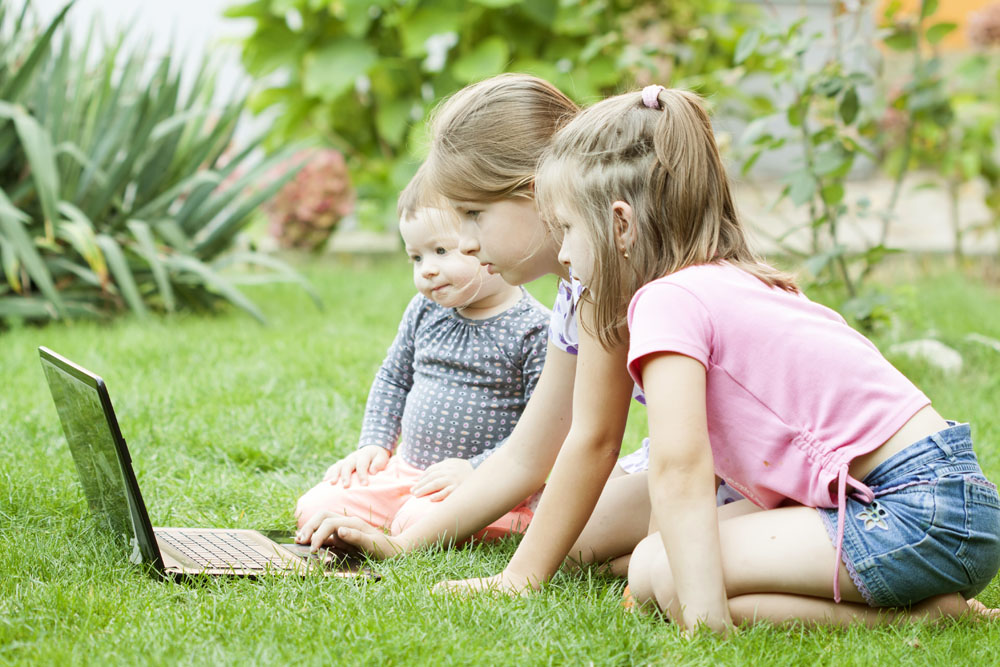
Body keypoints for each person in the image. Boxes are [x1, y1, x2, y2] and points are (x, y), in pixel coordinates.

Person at [527, 84, 1000, 632]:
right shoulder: (737, 283)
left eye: (566, 229)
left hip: (909, 514)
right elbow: (693, 484)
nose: (561, 252)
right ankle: (929, 605)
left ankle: (926, 618)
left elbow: (680, 469)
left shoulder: (664, 301)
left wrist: (697, 611)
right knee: (654, 566)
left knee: (664, 571)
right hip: (951, 505)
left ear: (621, 224)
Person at [297, 74, 672, 574]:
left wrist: (519, 576)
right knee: (575, 541)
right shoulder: (576, 293)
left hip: (731, 473)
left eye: (474, 213)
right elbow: (527, 455)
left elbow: (595, 441)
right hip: (690, 467)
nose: (466, 243)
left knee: (595, 548)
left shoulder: (616, 279)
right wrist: (404, 546)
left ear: (538, 192)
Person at [294, 168, 549, 541]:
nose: (427, 270)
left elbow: (540, 428)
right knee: (316, 506)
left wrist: (476, 469)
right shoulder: (424, 310)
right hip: (408, 472)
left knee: (415, 523)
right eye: (416, 257)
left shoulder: (533, 329)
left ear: (483, 242)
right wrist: (375, 444)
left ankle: (512, 520)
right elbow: (393, 379)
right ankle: (397, 513)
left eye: (442, 251)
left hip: (485, 483)